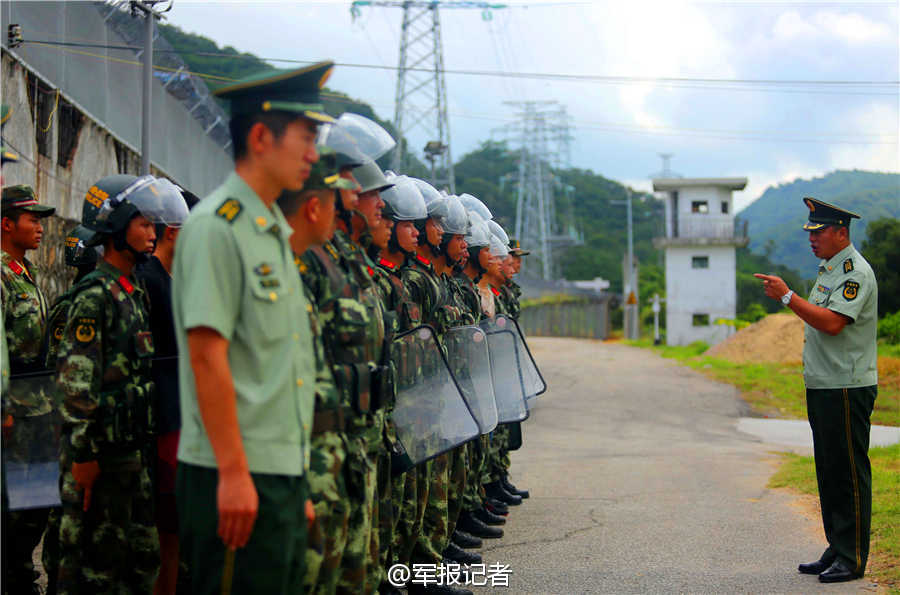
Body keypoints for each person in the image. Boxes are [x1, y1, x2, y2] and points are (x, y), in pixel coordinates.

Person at [172, 62, 332, 594]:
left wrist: (294, 480)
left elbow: (273, 369)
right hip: (232, 473)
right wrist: (237, 475)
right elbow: (206, 357)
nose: (313, 154)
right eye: (307, 136)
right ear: (262, 136)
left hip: (275, 473)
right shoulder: (217, 228)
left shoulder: (270, 233)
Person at [54, 174, 188, 593]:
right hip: (101, 460)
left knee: (140, 565)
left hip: (133, 457)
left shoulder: (130, 292)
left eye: (154, 225)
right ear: (115, 226)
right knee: (94, 570)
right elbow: (77, 387)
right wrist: (82, 457)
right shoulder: (94, 296)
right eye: (144, 224)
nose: (153, 233)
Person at [755, 197, 878, 584]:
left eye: (819, 232)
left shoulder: (855, 272)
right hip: (824, 383)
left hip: (847, 385)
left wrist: (788, 297)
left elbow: (832, 323)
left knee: (848, 473)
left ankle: (853, 556)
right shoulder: (828, 270)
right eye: (810, 232)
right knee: (828, 469)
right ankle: (836, 546)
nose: (813, 239)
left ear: (841, 232)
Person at [134, 188, 197, 595]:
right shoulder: (150, 282)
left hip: (182, 418)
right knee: (162, 533)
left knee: (176, 533)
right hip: (162, 423)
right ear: (175, 232)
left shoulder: (178, 281)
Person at [1, 184, 56, 594]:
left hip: (37, 408)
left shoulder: (26, 273)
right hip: (13, 409)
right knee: (12, 507)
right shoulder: (2, 276)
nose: (39, 227)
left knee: (36, 503)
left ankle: (19, 572)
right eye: (31, 219)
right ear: (6, 224)